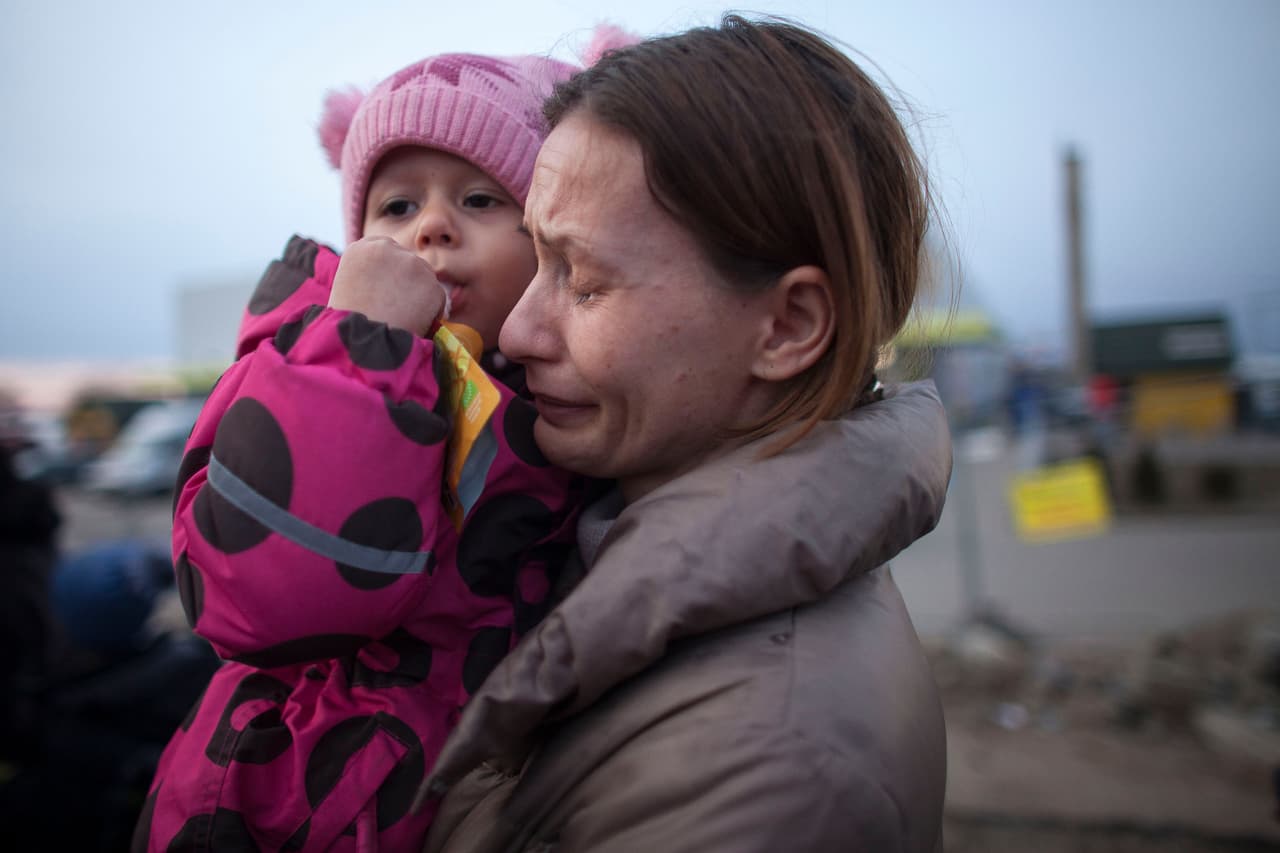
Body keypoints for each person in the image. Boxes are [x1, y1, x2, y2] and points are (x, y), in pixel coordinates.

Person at [413, 16, 953, 852]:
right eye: (536, 262)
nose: (516, 334)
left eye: (584, 282)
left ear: (786, 327)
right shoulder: (589, 543)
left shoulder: (773, 776)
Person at [133, 33, 631, 852]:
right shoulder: (301, 356)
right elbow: (259, 592)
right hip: (276, 799)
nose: (430, 227)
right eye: (397, 207)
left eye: (480, 200)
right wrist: (358, 345)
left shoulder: (554, 394)